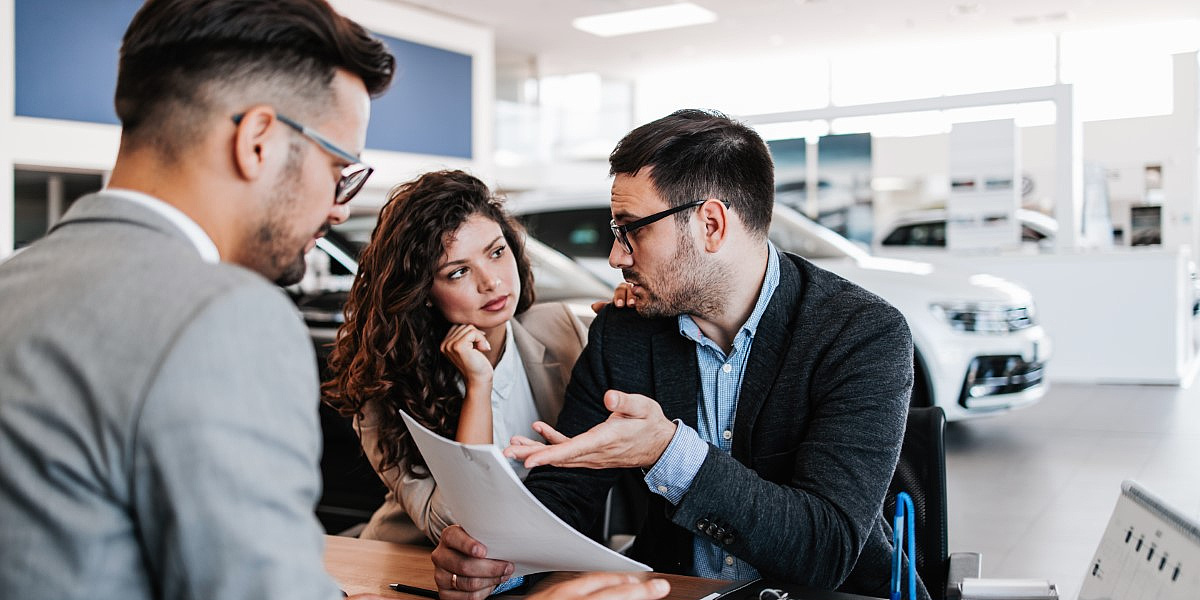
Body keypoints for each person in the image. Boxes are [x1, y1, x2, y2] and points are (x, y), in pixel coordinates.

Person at [0, 3, 669, 600]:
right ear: (258, 141)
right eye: (338, 169)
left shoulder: (14, 286)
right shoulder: (223, 316)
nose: (338, 209)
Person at [431, 109, 930, 600]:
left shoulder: (860, 333)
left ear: (710, 224)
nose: (617, 256)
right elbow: (567, 494)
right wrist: (497, 562)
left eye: (633, 229)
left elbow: (826, 549)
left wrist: (668, 452)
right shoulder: (626, 333)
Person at [323, 170, 589, 546]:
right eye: (458, 271)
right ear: (423, 292)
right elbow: (461, 524)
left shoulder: (562, 329)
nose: (491, 282)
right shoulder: (386, 387)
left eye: (496, 252)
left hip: (550, 560)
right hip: (414, 562)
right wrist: (478, 387)